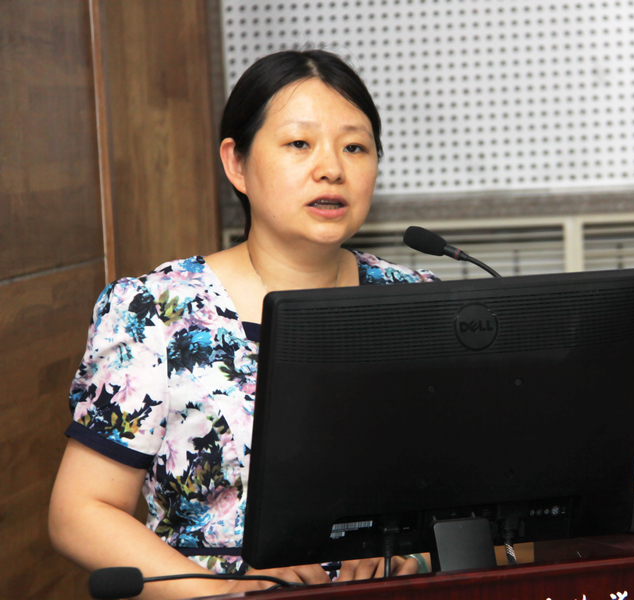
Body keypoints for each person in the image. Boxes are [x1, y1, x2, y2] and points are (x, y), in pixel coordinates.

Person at [49, 50, 437, 599]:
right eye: (299, 144)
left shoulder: (419, 304)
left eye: (355, 147)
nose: (332, 168)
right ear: (236, 164)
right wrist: (224, 594)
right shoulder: (156, 310)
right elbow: (81, 511)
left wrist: (418, 556)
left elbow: (488, 503)